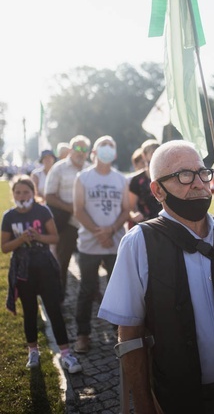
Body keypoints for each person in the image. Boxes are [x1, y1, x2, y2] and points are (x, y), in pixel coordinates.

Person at [98, 140, 214, 414]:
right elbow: (130, 335)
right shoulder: (139, 243)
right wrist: (145, 406)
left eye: (203, 173)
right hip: (172, 400)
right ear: (157, 190)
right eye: (184, 175)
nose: (198, 183)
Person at [1, 175, 82, 373]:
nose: (22, 196)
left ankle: (66, 354)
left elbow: (54, 237)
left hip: (45, 268)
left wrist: (38, 236)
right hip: (23, 271)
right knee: (30, 312)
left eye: (26, 192)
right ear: (13, 194)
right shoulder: (9, 216)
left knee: (54, 310)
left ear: (33, 193)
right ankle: (33, 351)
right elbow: (4, 247)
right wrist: (20, 240)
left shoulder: (42, 210)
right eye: (18, 192)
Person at [73, 135, 130, 353]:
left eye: (111, 145)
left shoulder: (120, 179)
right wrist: (99, 233)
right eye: (102, 145)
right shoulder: (83, 177)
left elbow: (125, 209)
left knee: (118, 289)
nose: (107, 148)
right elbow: (78, 209)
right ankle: (83, 335)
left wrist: (112, 230)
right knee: (87, 289)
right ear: (94, 152)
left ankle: (122, 332)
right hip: (89, 244)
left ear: (114, 153)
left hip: (114, 244)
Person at [44, 134, 91, 298]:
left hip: (88, 223)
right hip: (67, 223)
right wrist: (71, 208)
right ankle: (59, 295)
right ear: (71, 150)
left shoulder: (90, 168)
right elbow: (49, 195)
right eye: (78, 148)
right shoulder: (59, 168)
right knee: (63, 261)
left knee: (91, 261)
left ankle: (91, 295)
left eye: (84, 149)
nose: (81, 152)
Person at [128, 139, 162, 229]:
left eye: (158, 152)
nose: (156, 156)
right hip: (146, 227)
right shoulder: (137, 180)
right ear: (144, 156)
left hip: (165, 225)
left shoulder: (166, 177)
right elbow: (130, 208)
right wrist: (134, 215)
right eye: (152, 153)